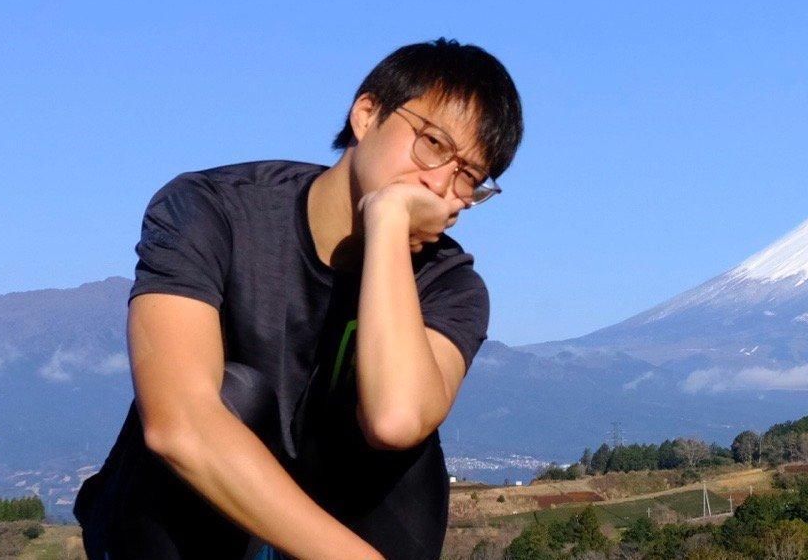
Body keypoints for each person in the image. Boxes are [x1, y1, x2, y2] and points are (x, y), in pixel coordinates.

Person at [76, 39, 524, 559]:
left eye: (470, 178)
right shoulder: (210, 210)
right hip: (173, 525)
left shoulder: (450, 284)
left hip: (328, 504)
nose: (443, 187)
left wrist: (386, 222)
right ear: (367, 113)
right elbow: (179, 424)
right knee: (236, 392)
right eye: (433, 145)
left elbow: (396, 419)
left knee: (408, 443)